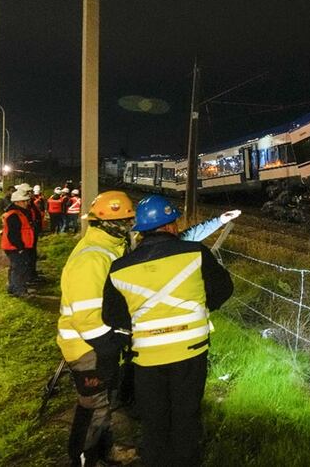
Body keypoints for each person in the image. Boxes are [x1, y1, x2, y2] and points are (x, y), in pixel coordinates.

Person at [102, 195, 233, 466]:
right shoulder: (196, 254)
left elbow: (112, 316)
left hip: (147, 358)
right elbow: (223, 289)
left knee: (154, 421)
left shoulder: (119, 269)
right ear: (172, 226)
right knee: (186, 417)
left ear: (140, 230)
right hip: (191, 351)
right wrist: (200, 309)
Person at [57, 191, 137, 467]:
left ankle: (105, 450)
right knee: (94, 406)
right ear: (109, 224)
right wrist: (109, 347)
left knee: (103, 401)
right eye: (126, 222)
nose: (130, 227)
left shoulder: (107, 249)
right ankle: (84, 457)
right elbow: (87, 317)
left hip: (97, 343)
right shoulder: (93, 258)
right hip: (88, 346)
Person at [0, 186, 37, 297]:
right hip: (15, 247)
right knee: (20, 268)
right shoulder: (14, 215)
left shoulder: (17, 213)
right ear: (18, 202)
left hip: (14, 247)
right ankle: (19, 290)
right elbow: (13, 234)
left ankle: (13, 287)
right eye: (25, 201)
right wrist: (20, 247)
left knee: (15, 267)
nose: (27, 203)